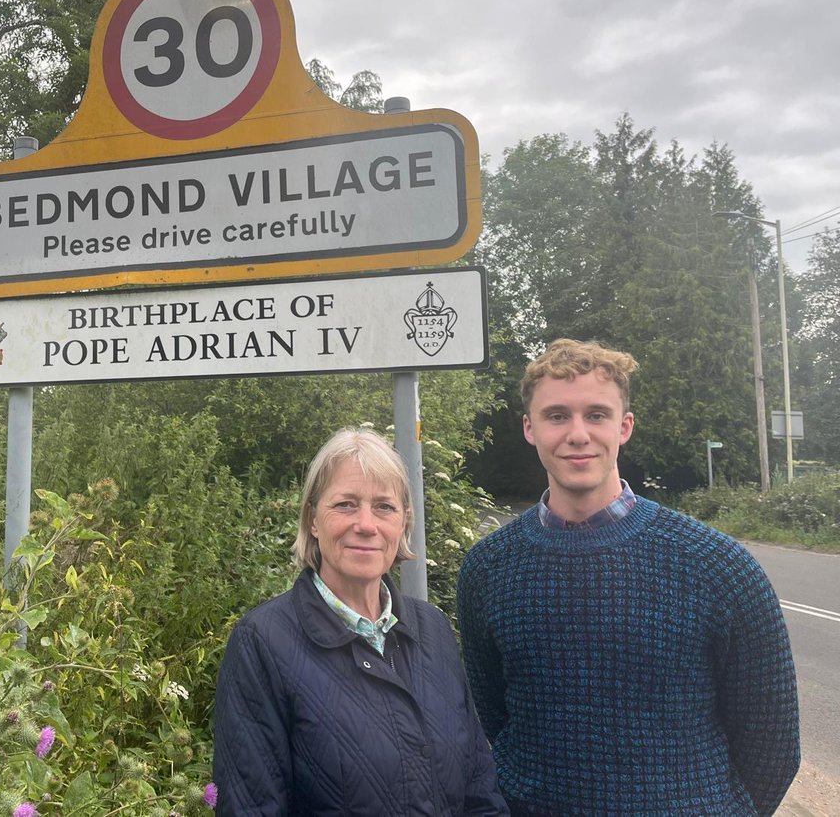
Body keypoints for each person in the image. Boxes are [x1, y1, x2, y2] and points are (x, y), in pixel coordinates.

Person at [456, 338, 800, 816]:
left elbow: (772, 745)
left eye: (596, 414)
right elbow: (496, 717)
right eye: (557, 416)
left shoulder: (718, 566)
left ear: (625, 427)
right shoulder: (487, 569)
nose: (578, 434)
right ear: (530, 428)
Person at [212, 427, 507, 816]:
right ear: (313, 520)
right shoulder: (263, 643)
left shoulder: (432, 629)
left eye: (384, 506)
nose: (366, 524)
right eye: (346, 504)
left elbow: (479, 787)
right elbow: (251, 807)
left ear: (404, 522)